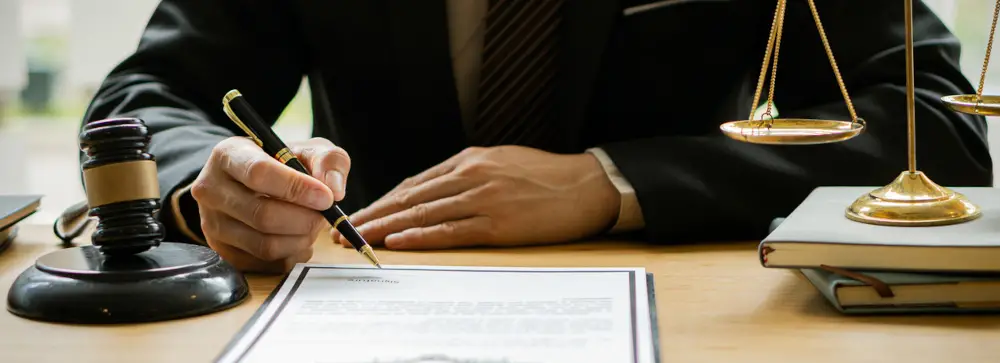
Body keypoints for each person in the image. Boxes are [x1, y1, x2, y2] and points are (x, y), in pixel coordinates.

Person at [81, 0, 992, 272]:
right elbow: (146, 97)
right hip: (367, 302)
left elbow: (936, 129)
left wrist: (613, 181)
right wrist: (213, 182)